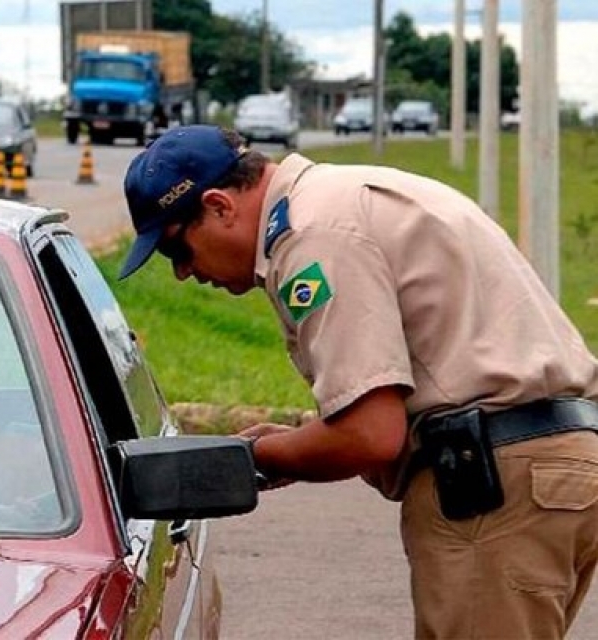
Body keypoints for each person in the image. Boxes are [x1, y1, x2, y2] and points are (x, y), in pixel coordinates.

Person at [118, 124, 598, 639]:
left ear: (219, 206)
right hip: (548, 463)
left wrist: (258, 457)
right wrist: (295, 439)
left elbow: (369, 434)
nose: (183, 274)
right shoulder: (342, 197)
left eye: (176, 249)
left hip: (492, 485)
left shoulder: (313, 235)